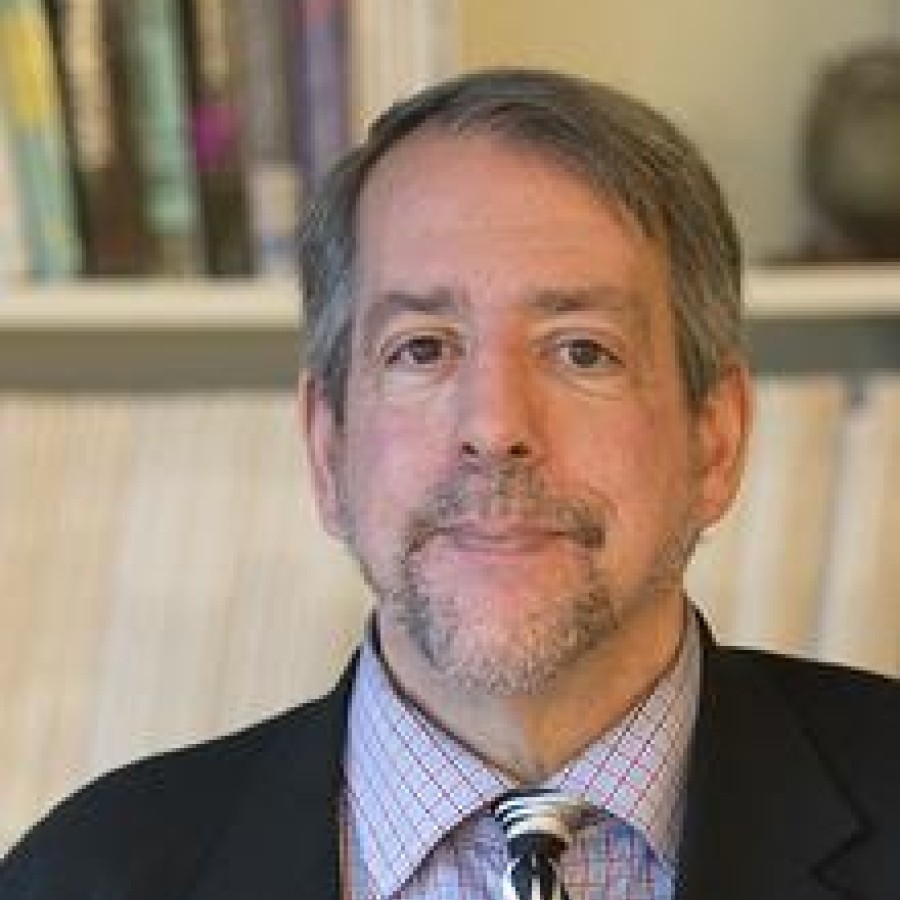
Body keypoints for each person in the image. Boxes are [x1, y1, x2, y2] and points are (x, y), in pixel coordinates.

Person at [2, 68, 898, 900]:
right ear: (327, 447)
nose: (495, 426)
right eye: (422, 349)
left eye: (582, 350)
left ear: (716, 437)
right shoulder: (81, 877)